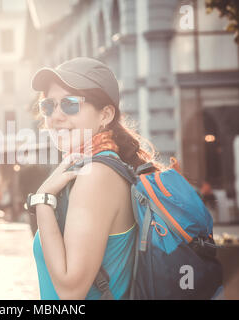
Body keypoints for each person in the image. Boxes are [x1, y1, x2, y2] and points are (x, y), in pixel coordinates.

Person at [29, 57, 165, 300]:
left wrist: (42, 201)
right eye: (49, 106)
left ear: (105, 115)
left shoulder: (97, 176)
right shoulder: (88, 169)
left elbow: (71, 291)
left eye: (70, 104)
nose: (55, 116)